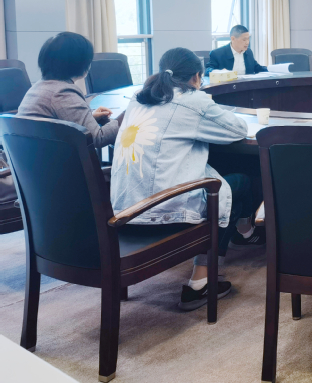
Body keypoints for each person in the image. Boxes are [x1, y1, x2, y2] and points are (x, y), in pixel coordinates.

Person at [110, 47, 256, 311]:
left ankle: (245, 233)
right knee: (240, 182)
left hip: (124, 209)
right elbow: (238, 129)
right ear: (197, 77)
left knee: (218, 174)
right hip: (164, 211)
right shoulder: (193, 99)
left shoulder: (138, 99)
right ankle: (201, 282)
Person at [17, 32, 121, 148]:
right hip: (57, 158)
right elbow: (97, 138)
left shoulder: (38, 87)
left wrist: (90, 118)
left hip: (34, 157)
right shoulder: (63, 93)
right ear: (78, 63)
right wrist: (124, 120)